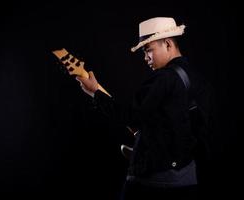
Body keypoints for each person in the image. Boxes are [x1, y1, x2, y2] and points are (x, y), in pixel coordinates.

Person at [76, 17, 206, 200]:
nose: (145, 58)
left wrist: (94, 93)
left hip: (156, 179)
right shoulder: (192, 75)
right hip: (188, 176)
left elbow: (129, 116)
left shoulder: (164, 79)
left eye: (148, 50)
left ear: (168, 44)